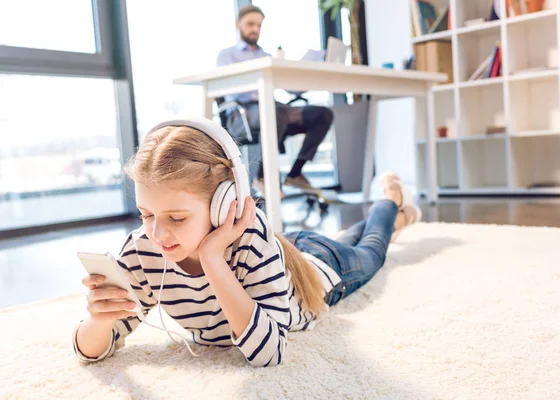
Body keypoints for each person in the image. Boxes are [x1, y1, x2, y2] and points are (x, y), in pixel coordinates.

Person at [72, 119, 421, 367]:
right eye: (145, 214)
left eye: (177, 218)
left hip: (316, 269)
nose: (157, 233)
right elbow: (89, 351)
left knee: (372, 249)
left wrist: (212, 258)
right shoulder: (143, 249)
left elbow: (270, 353)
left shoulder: (250, 238)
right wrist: (100, 320)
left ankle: (391, 205)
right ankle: (396, 215)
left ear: (225, 204)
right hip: (284, 251)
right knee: (353, 239)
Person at [217, 5, 334, 195]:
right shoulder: (227, 55)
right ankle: (263, 176)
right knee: (274, 110)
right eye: (250, 24)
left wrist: (307, 71)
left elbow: (292, 89)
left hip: (274, 111)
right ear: (239, 24)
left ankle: (295, 173)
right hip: (243, 114)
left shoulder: (266, 56)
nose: (255, 29)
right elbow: (224, 84)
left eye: (259, 25)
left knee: (322, 114)